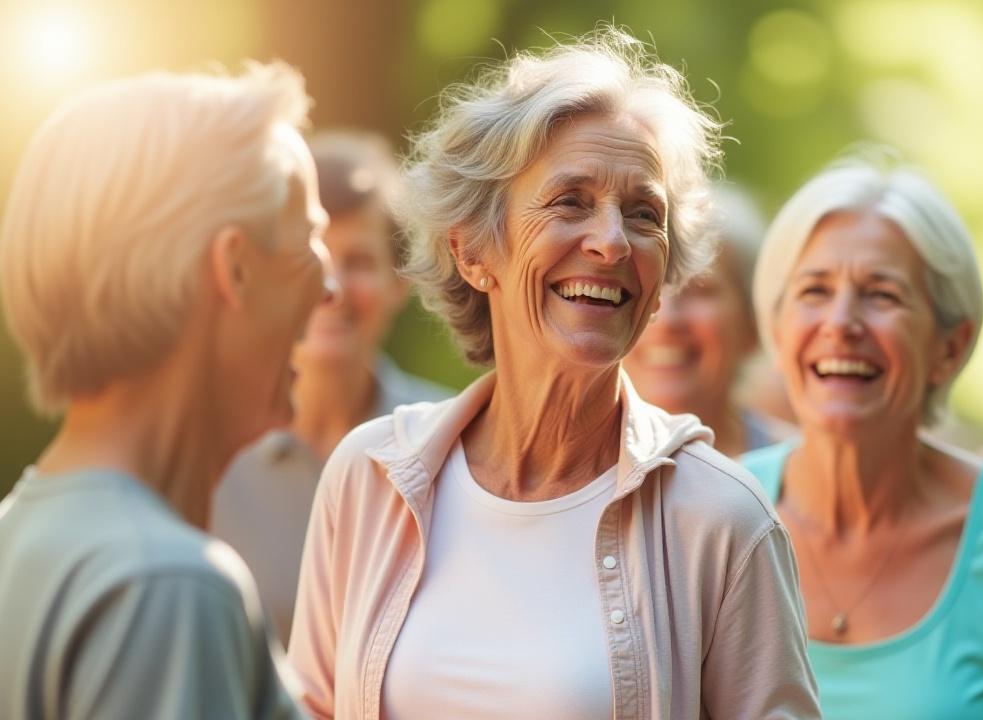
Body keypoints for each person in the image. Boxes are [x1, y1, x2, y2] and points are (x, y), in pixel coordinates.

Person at [287, 29, 820, 720]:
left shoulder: (720, 520)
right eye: (570, 201)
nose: (611, 240)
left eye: (642, 214)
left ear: (661, 281)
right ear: (475, 251)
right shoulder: (369, 478)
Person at [740, 157, 983, 718]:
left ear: (949, 347)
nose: (842, 322)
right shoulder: (716, 520)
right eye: (814, 291)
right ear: (778, 332)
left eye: (881, 294)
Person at [0, 63, 332, 718]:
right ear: (232, 267)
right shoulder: (170, 585)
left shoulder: (20, 536)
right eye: (310, 241)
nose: (330, 290)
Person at [211, 129, 451, 641]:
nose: (334, 288)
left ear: (400, 281)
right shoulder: (207, 454)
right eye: (312, 257)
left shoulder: (457, 442)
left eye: (359, 262)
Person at [623, 183, 792, 456]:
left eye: (700, 289)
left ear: (753, 320)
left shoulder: (806, 477)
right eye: (648, 285)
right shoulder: (557, 475)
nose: (667, 319)